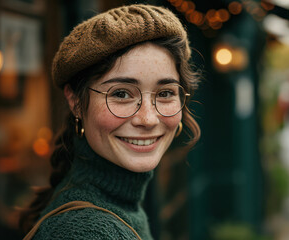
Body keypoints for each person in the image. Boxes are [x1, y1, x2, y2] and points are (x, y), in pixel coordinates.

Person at [18, 4, 200, 239]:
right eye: (121, 94)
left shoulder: (120, 206)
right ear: (75, 102)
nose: (147, 119)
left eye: (165, 93)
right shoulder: (85, 232)